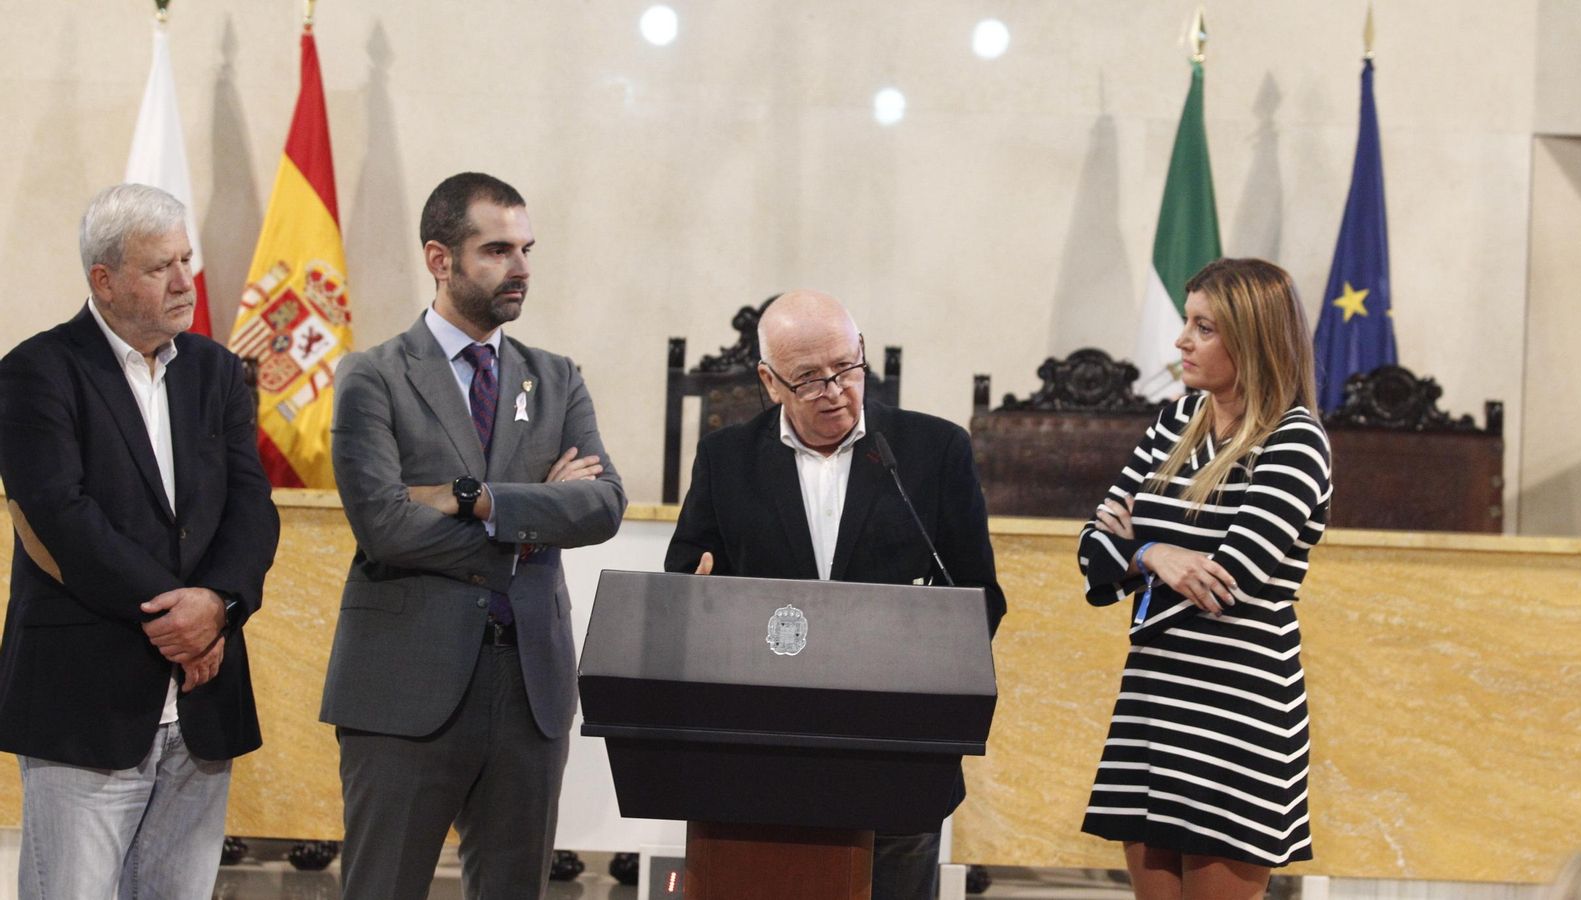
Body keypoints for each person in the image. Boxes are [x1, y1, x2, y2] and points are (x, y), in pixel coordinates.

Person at [320, 171, 625, 900]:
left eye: (526, 249)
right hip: (403, 687)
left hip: (529, 689)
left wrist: (477, 501)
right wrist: (532, 520)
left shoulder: (556, 379)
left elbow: (603, 505)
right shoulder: (374, 378)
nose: (520, 268)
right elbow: (386, 526)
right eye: (496, 250)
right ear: (439, 258)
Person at [665, 289, 1005, 900]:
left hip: (896, 750)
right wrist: (700, 602)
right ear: (770, 382)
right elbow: (688, 582)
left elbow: (980, 599)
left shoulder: (932, 452)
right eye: (810, 379)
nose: (836, 390)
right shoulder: (727, 459)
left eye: (847, 367)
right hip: (762, 753)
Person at [0, 183, 281, 899]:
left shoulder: (216, 372)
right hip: (86, 700)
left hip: (203, 700)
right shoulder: (38, 371)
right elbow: (62, 516)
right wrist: (179, 616)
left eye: (186, 259)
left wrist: (218, 605)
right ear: (105, 280)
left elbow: (251, 504)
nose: (187, 281)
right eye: (162, 267)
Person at [1077, 257, 1331, 900]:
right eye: (1187, 322)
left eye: (1205, 327)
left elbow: (1230, 580)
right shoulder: (1174, 423)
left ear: (1253, 339)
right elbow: (1091, 548)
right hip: (1154, 698)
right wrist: (1153, 556)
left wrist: (1136, 541)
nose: (1181, 340)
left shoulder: (1294, 441)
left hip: (1235, 709)